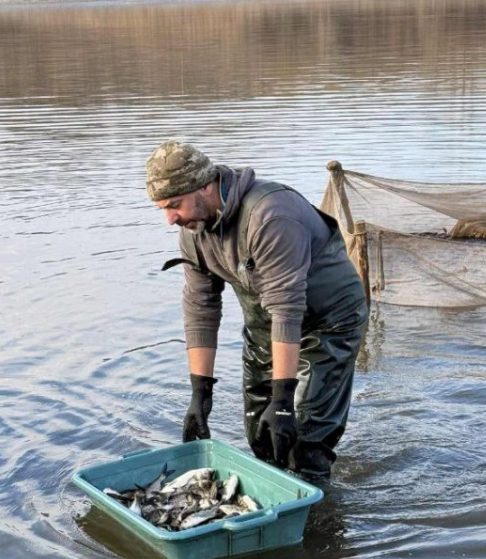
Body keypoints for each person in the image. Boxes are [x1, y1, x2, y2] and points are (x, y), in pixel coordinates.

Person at [147, 140, 367, 482]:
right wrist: (199, 395)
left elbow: (287, 308)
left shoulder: (270, 214)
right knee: (262, 438)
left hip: (329, 321)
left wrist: (282, 400)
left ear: (204, 187)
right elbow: (201, 308)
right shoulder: (193, 229)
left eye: (174, 205)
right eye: (162, 208)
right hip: (267, 325)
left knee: (304, 441)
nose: (169, 219)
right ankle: (271, 506)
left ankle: (318, 521)